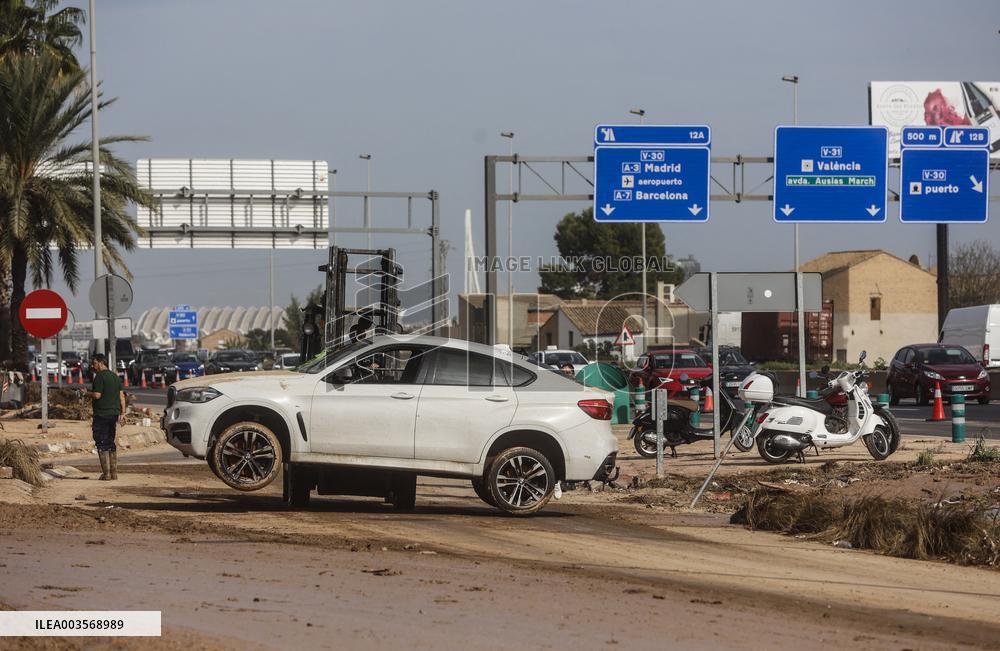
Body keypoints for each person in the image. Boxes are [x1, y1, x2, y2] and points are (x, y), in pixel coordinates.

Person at [87, 354, 125, 481]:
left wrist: (85, 393)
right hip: (114, 414)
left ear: (100, 363)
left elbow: (97, 395)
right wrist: (123, 413)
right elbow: (122, 397)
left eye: (94, 363)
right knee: (110, 442)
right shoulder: (115, 376)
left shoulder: (100, 377)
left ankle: (106, 473)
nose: (93, 366)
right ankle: (114, 473)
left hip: (101, 414)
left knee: (101, 442)